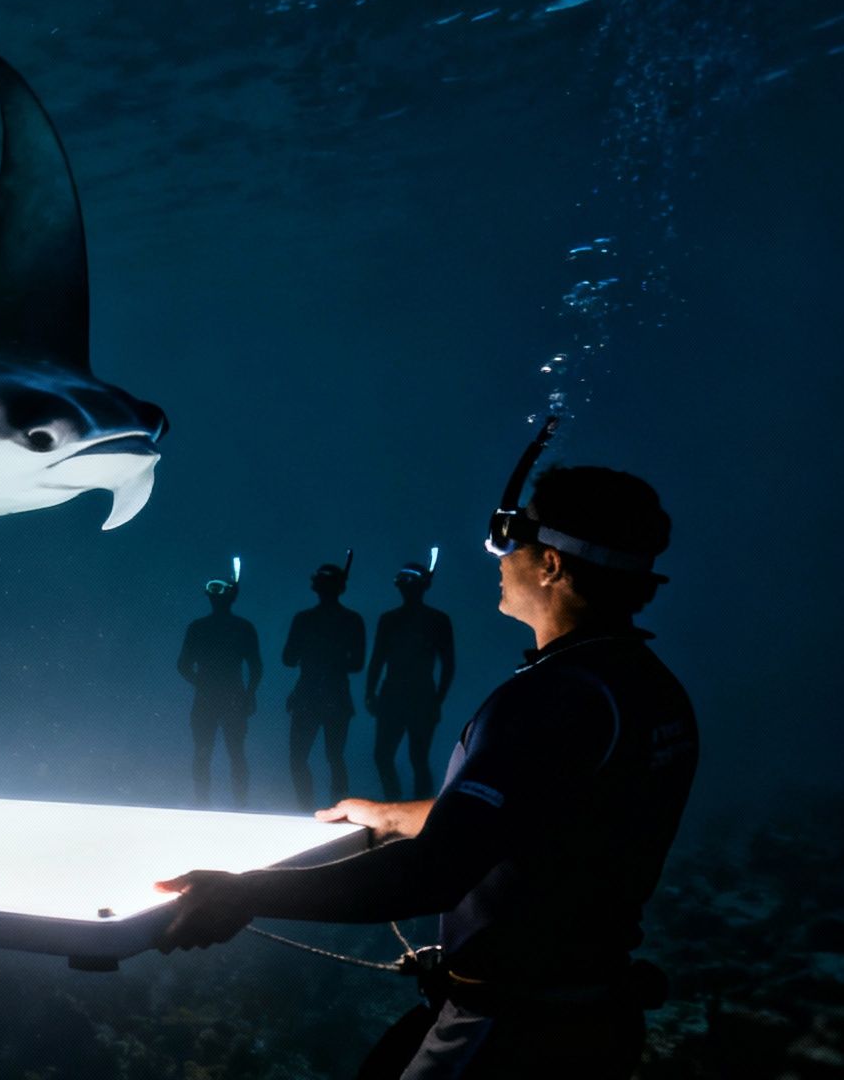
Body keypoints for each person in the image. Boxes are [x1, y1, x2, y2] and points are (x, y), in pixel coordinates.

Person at [154, 420, 698, 1080]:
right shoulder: (646, 688)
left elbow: (433, 873)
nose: (499, 557)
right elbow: (534, 820)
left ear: (551, 564)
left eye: (510, 537)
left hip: (515, 1029)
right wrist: (389, 815)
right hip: (591, 1012)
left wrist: (243, 892)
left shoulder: (553, 698)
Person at [367, 558, 456, 800]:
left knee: (413, 757)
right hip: (405, 696)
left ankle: (411, 810)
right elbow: (377, 659)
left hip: (413, 696)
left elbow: (448, 664)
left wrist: (437, 699)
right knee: (391, 756)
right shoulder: (394, 620)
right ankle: (399, 806)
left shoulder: (434, 620)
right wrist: (370, 693)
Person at [282, 558, 366, 810]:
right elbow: (289, 658)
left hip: (318, 696)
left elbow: (289, 658)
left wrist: (320, 656)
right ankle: (318, 808)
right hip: (326, 696)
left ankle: (316, 808)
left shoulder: (306, 619)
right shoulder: (350, 620)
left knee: (317, 757)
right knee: (330, 757)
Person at [177, 569, 263, 807]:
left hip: (214, 697)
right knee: (230, 752)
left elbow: (183, 665)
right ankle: (230, 804)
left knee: (211, 752)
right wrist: (249, 693)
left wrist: (201, 683)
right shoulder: (240, 627)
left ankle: (213, 804)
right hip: (229, 697)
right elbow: (255, 666)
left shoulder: (201, 627)